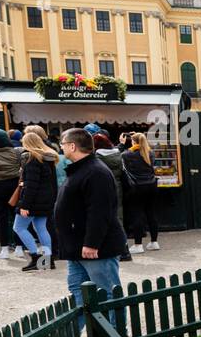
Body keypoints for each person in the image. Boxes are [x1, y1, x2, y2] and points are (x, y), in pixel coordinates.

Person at [55, 128, 127, 320]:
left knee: (107, 293)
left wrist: (92, 243)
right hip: (76, 246)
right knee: (78, 294)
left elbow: (99, 212)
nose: (61, 147)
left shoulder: (96, 172)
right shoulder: (80, 169)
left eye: (62, 144)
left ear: (72, 146)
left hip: (95, 248)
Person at [13, 129, 59, 271]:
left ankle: (35, 257)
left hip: (33, 200)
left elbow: (32, 185)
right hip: (46, 199)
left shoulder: (33, 159)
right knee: (41, 229)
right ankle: (47, 260)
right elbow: (51, 183)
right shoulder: (48, 158)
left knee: (18, 227)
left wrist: (24, 205)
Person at [92, 131, 133, 262]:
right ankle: (124, 249)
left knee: (103, 218)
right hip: (118, 188)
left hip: (103, 188)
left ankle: (110, 248)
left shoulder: (96, 157)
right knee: (118, 217)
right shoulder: (117, 154)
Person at [123, 131, 160, 253]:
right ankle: (154, 242)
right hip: (152, 185)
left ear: (133, 142)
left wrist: (122, 144)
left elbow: (121, 158)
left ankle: (138, 244)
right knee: (151, 213)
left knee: (137, 214)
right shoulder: (150, 153)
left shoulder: (128, 154)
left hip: (137, 187)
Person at [0, 127, 23, 260]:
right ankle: (19, 248)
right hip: (15, 186)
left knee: (1, 218)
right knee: (17, 216)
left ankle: (5, 249)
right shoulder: (17, 152)